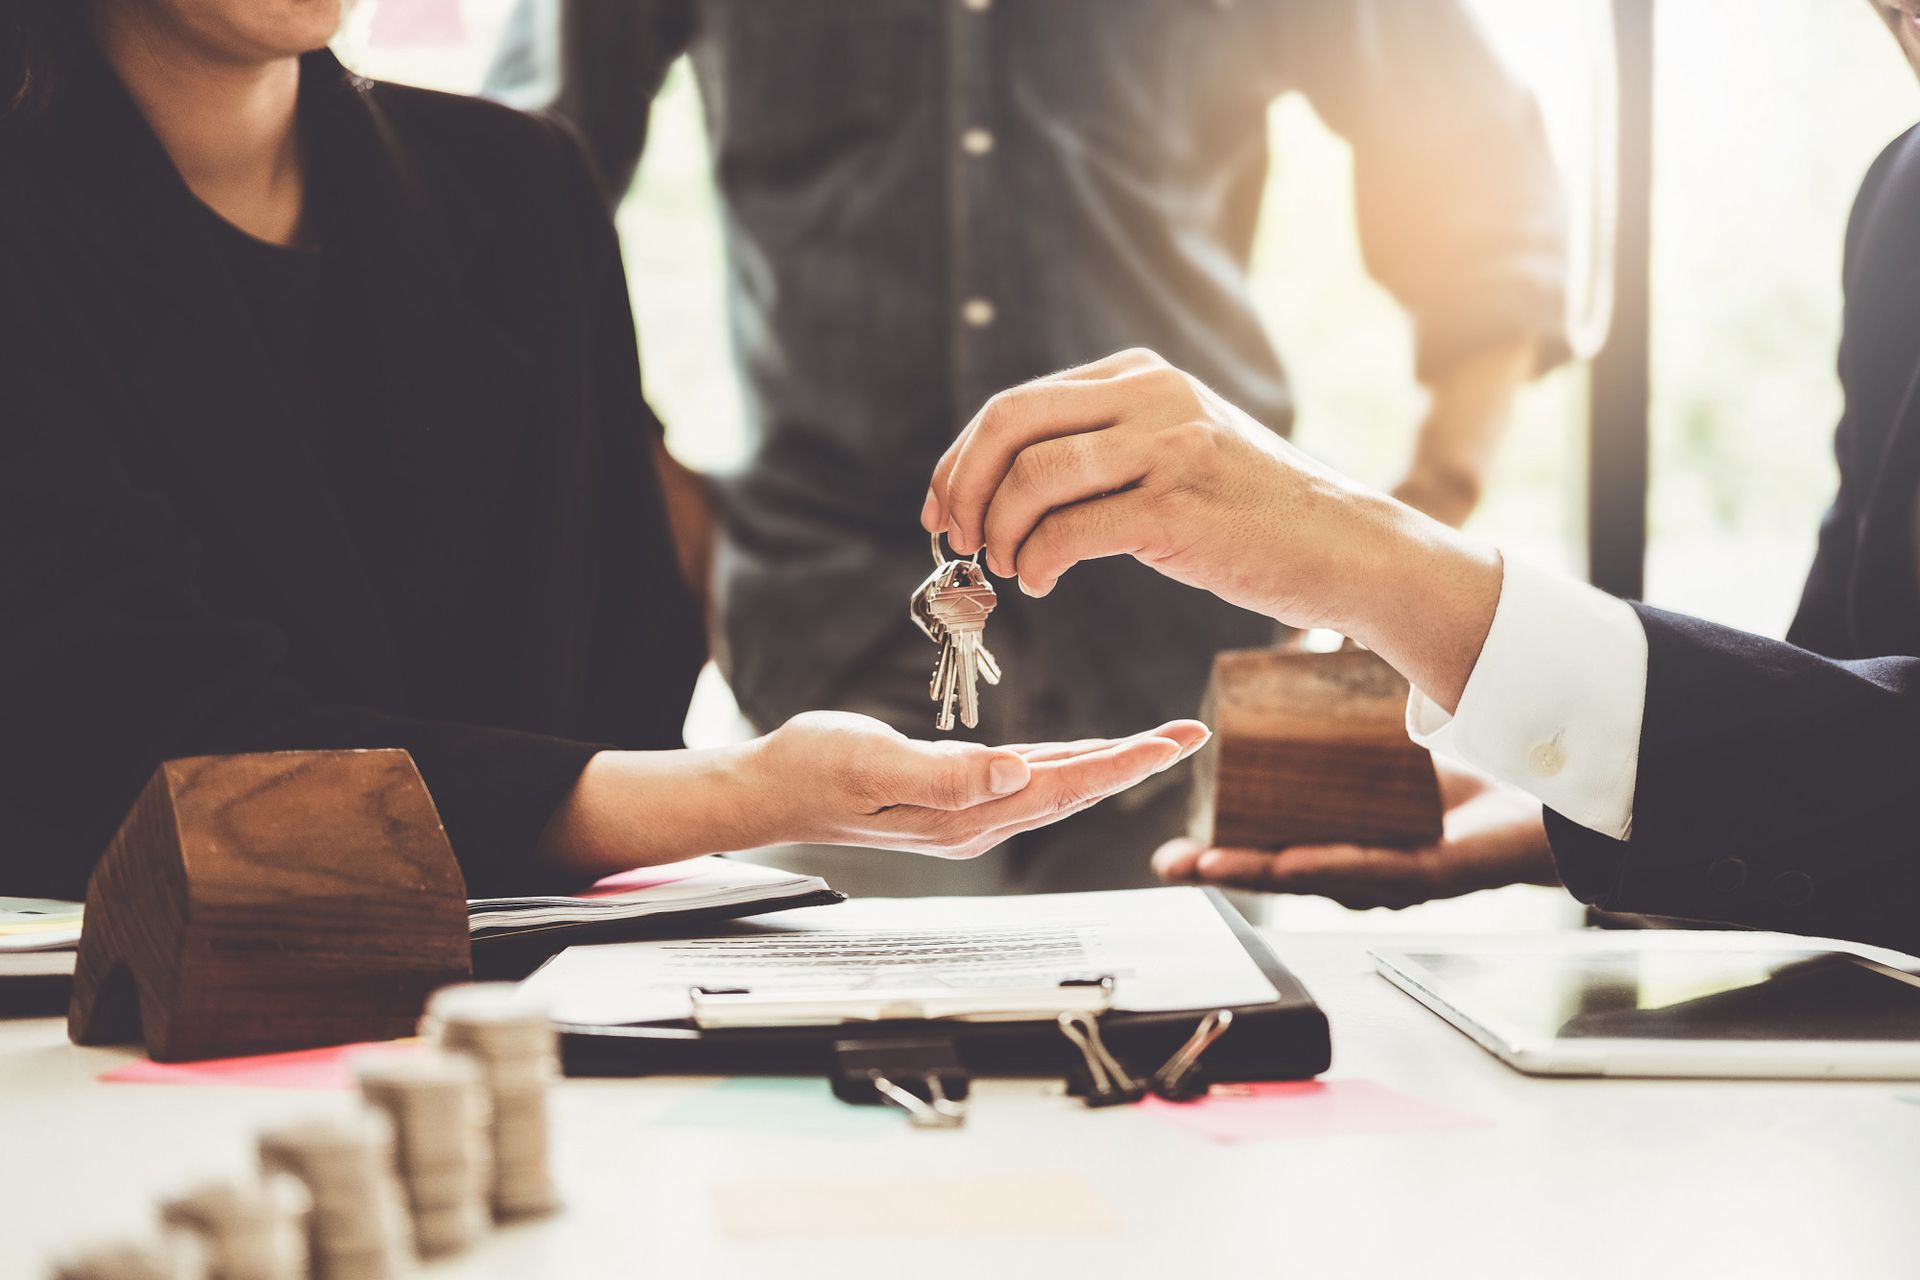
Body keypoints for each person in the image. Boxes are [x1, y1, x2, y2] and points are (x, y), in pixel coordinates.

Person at [0, 0, 1205, 904]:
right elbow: (135, 749)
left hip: (536, 1017)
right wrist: (750, 790)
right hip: (106, 1050)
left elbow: (605, 682)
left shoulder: (522, 190)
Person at [486, 0, 1572, 895]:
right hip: (831, 653)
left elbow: (1480, 185)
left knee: (1174, 1100)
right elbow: (499, 205)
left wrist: (1410, 524)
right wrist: (665, 518)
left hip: (1186, 663)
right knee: (856, 1100)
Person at [923, 1, 1920, 956]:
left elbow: (1474, 166)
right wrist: (1570, 810)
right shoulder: (1901, 206)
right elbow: (1846, 730)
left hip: (1164, 674)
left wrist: (1382, 546)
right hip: (828, 653)